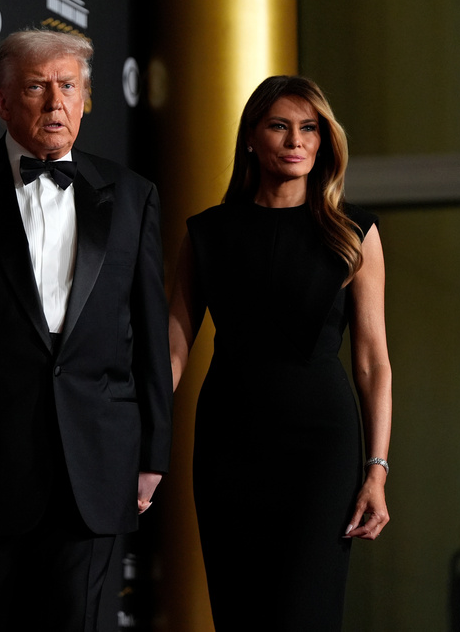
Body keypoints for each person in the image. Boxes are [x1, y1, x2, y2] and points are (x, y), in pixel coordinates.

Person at [0, 29, 173, 632]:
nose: (55, 103)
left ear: (87, 99)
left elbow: (150, 334)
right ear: (0, 102)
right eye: (37, 87)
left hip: (95, 471)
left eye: (69, 87)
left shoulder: (132, 197)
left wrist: (153, 454)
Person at [167, 76, 392, 630]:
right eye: (279, 126)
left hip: (322, 449)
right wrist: (138, 441)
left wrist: (376, 470)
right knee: (239, 613)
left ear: (323, 142)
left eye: (309, 128)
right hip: (227, 440)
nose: (296, 140)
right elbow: (172, 349)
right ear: (251, 138)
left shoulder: (353, 232)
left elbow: (371, 361)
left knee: (305, 614)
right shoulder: (207, 233)